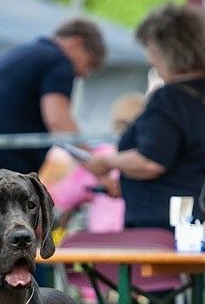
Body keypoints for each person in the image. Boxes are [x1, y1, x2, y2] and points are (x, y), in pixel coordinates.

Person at [86, 3, 205, 229]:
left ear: (169, 51)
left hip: (159, 224)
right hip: (200, 218)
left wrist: (107, 161)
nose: (150, 59)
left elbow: (151, 161)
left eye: (151, 50)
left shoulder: (169, 99)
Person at [0, 19, 107, 176]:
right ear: (77, 43)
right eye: (89, 65)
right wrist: (92, 160)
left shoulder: (24, 51)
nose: (84, 74)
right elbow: (58, 120)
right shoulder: (58, 61)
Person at [43, 92, 145, 235]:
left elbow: (66, 197)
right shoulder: (148, 159)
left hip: (102, 238)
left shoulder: (99, 157)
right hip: (140, 236)